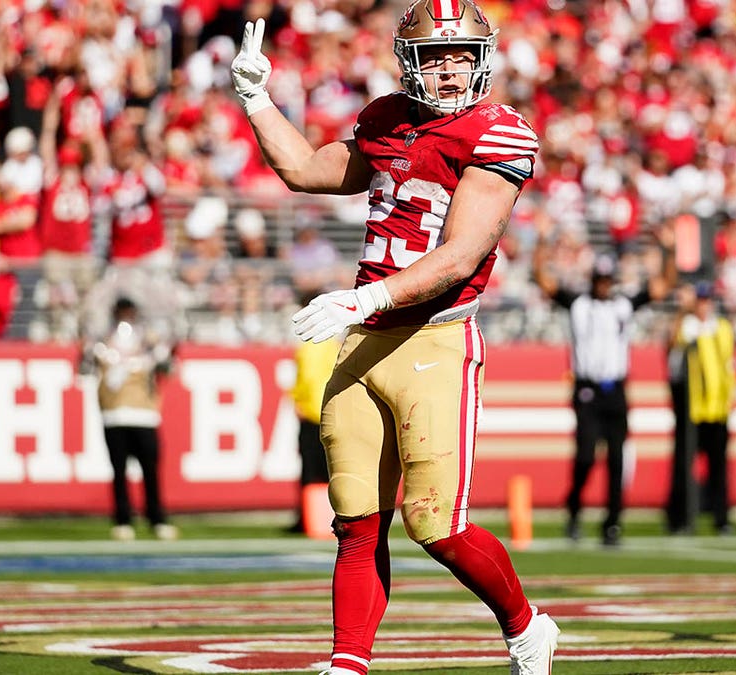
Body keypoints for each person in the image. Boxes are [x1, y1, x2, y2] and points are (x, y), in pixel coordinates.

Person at [230, 5, 560, 674]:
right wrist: (257, 99)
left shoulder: (498, 133)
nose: (449, 67)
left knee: (437, 524)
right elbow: (305, 170)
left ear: (482, 56)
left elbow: (462, 253)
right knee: (355, 519)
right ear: (408, 61)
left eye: (461, 53)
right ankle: (348, 663)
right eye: (435, 56)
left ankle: (527, 628)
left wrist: (367, 294)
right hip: (366, 339)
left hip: (434, 341)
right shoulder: (388, 118)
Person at [532, 226, 676, 547]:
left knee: (616, 461)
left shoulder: (623, 304)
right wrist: (542, 242)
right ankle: (574, 509)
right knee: (585, 457)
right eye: (599, 280)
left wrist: (670, 251)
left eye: (607, 281)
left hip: (616, 391)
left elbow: (663, 286)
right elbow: (543, 280)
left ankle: (612, 523)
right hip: (587, 390)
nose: (603, 286)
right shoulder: (578, 303)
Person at [85, 297, 177, 541]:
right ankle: (123, 518)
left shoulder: (148, 341)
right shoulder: (103, 342)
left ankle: (156, 517)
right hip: (115, 413)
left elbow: (168, 367)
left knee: (150, 471)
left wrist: (162, 348)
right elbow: (85, 367)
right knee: (119, 470)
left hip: (144, 413)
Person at [666, 281, 735, 535]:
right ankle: (681, 517)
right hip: (691, 409)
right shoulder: (687, 327)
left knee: (719, 468)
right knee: (684, 466)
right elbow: (672, 349)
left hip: (717, 408)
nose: (704, 305)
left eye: (707, 300)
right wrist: (682, 311)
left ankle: (721, 517)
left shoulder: (722, 327)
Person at [286, 293, 341, 534]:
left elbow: (305, 379)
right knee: (331, 468)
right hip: (331, 411)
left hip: (311, 412)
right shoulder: (334, 343)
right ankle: (331, 518)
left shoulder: (307, 345)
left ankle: (308, 520)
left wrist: (297, 399)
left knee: (310, 469)